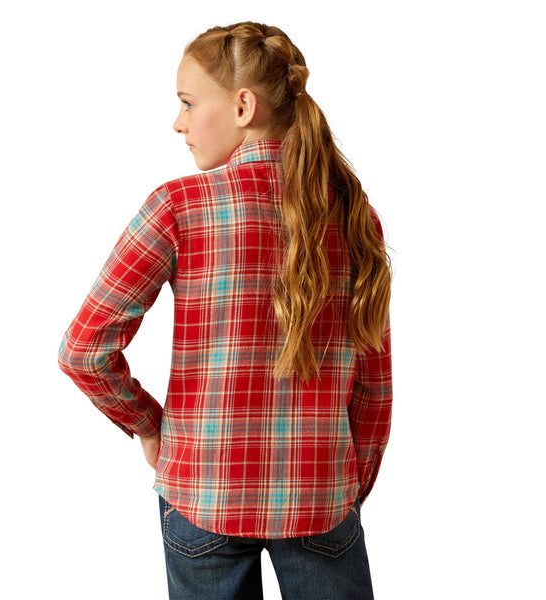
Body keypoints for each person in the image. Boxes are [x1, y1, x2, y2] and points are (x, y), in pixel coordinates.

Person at [58, 21, 392, 600]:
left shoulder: (177, 207)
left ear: (243, 106)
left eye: (188, 103)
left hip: (202, 492)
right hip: (321, 495)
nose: (178, 122)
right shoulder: (353, 214)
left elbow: (84, 350)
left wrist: (150, 426)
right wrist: (349, 483)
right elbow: (374, 382)